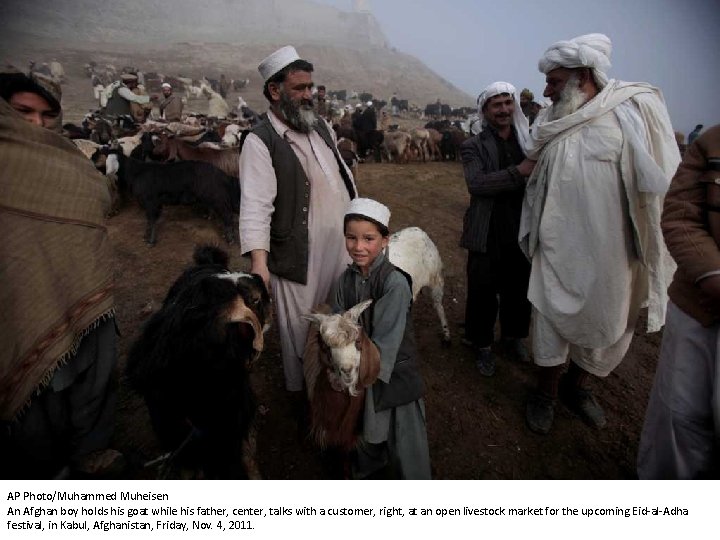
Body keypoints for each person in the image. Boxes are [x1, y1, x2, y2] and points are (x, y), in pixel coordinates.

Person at [520, 33, 681, 435]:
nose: (546, 91)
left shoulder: (632, 111)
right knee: (548, 324)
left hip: (612, 251)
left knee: (605, 325)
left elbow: (661, 180)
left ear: (583, 75)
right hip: (556, 249)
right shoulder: (553, 120)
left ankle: (577, 387)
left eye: (555, 82)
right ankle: (545, 393)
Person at [0, 69, 122, 479]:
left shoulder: (73, 164)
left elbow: (101, 204)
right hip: (19, 311)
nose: (36, 125)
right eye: (22, 112)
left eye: (48, 116)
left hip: (85, 301)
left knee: (91, 394)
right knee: (34, 422)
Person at [238, 46, 357, 414]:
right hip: (297, 255)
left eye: (310, 87)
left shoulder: (319, 125)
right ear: (275, 91)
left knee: (339, 314)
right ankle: (306, 395)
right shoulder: (260, 140)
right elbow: (256, 205)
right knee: (302, 328)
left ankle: (340, 382)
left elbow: (342, 175)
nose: (309, 95)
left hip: (338, 246)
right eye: (299, 88)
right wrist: (260, 263)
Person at [637, 125, 720, 479]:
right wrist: (713, 277)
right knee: (680, 415)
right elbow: (681, 216)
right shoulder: (712, 143)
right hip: (700, 306)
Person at [334, 197, 431, 479]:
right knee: (366, 436)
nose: (358, 246)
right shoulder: (345, 280)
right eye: (351, 238)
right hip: (359, 374)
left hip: (391, 374)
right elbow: (340, 324)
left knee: (406, 446)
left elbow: (386, 344)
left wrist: (356, 370)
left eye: (368, 238)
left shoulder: (394, 284)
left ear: (385, 240)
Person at [460, 82, 535, 377]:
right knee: (482, 290)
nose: (504, 109)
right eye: (497, 104)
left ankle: (513, 337)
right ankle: (482, 344)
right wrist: (520, 172)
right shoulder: (472, 146)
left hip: (521, 228)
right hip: (486, 230)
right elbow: (477, 184)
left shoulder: (527, 143)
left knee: (519, 289)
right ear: (486, 110)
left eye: (508, 103)